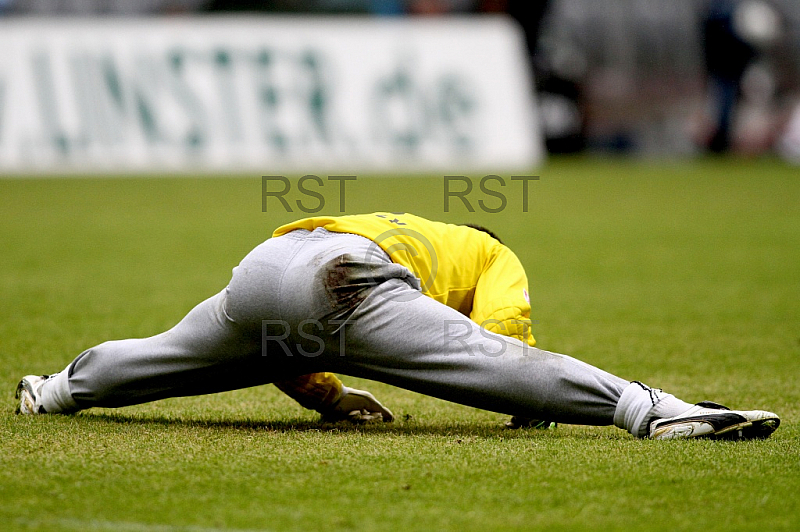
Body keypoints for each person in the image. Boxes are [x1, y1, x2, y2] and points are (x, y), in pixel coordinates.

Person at [16, 212, 780, 440]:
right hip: (343, 278)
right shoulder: (490, 250)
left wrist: (328, 398)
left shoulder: (409, 227)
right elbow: (502, 333)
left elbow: (289, 340)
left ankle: (52, 392)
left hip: (265, 265)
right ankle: (651, 410)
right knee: (484, 359)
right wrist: (527, 405)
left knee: (165, 358)